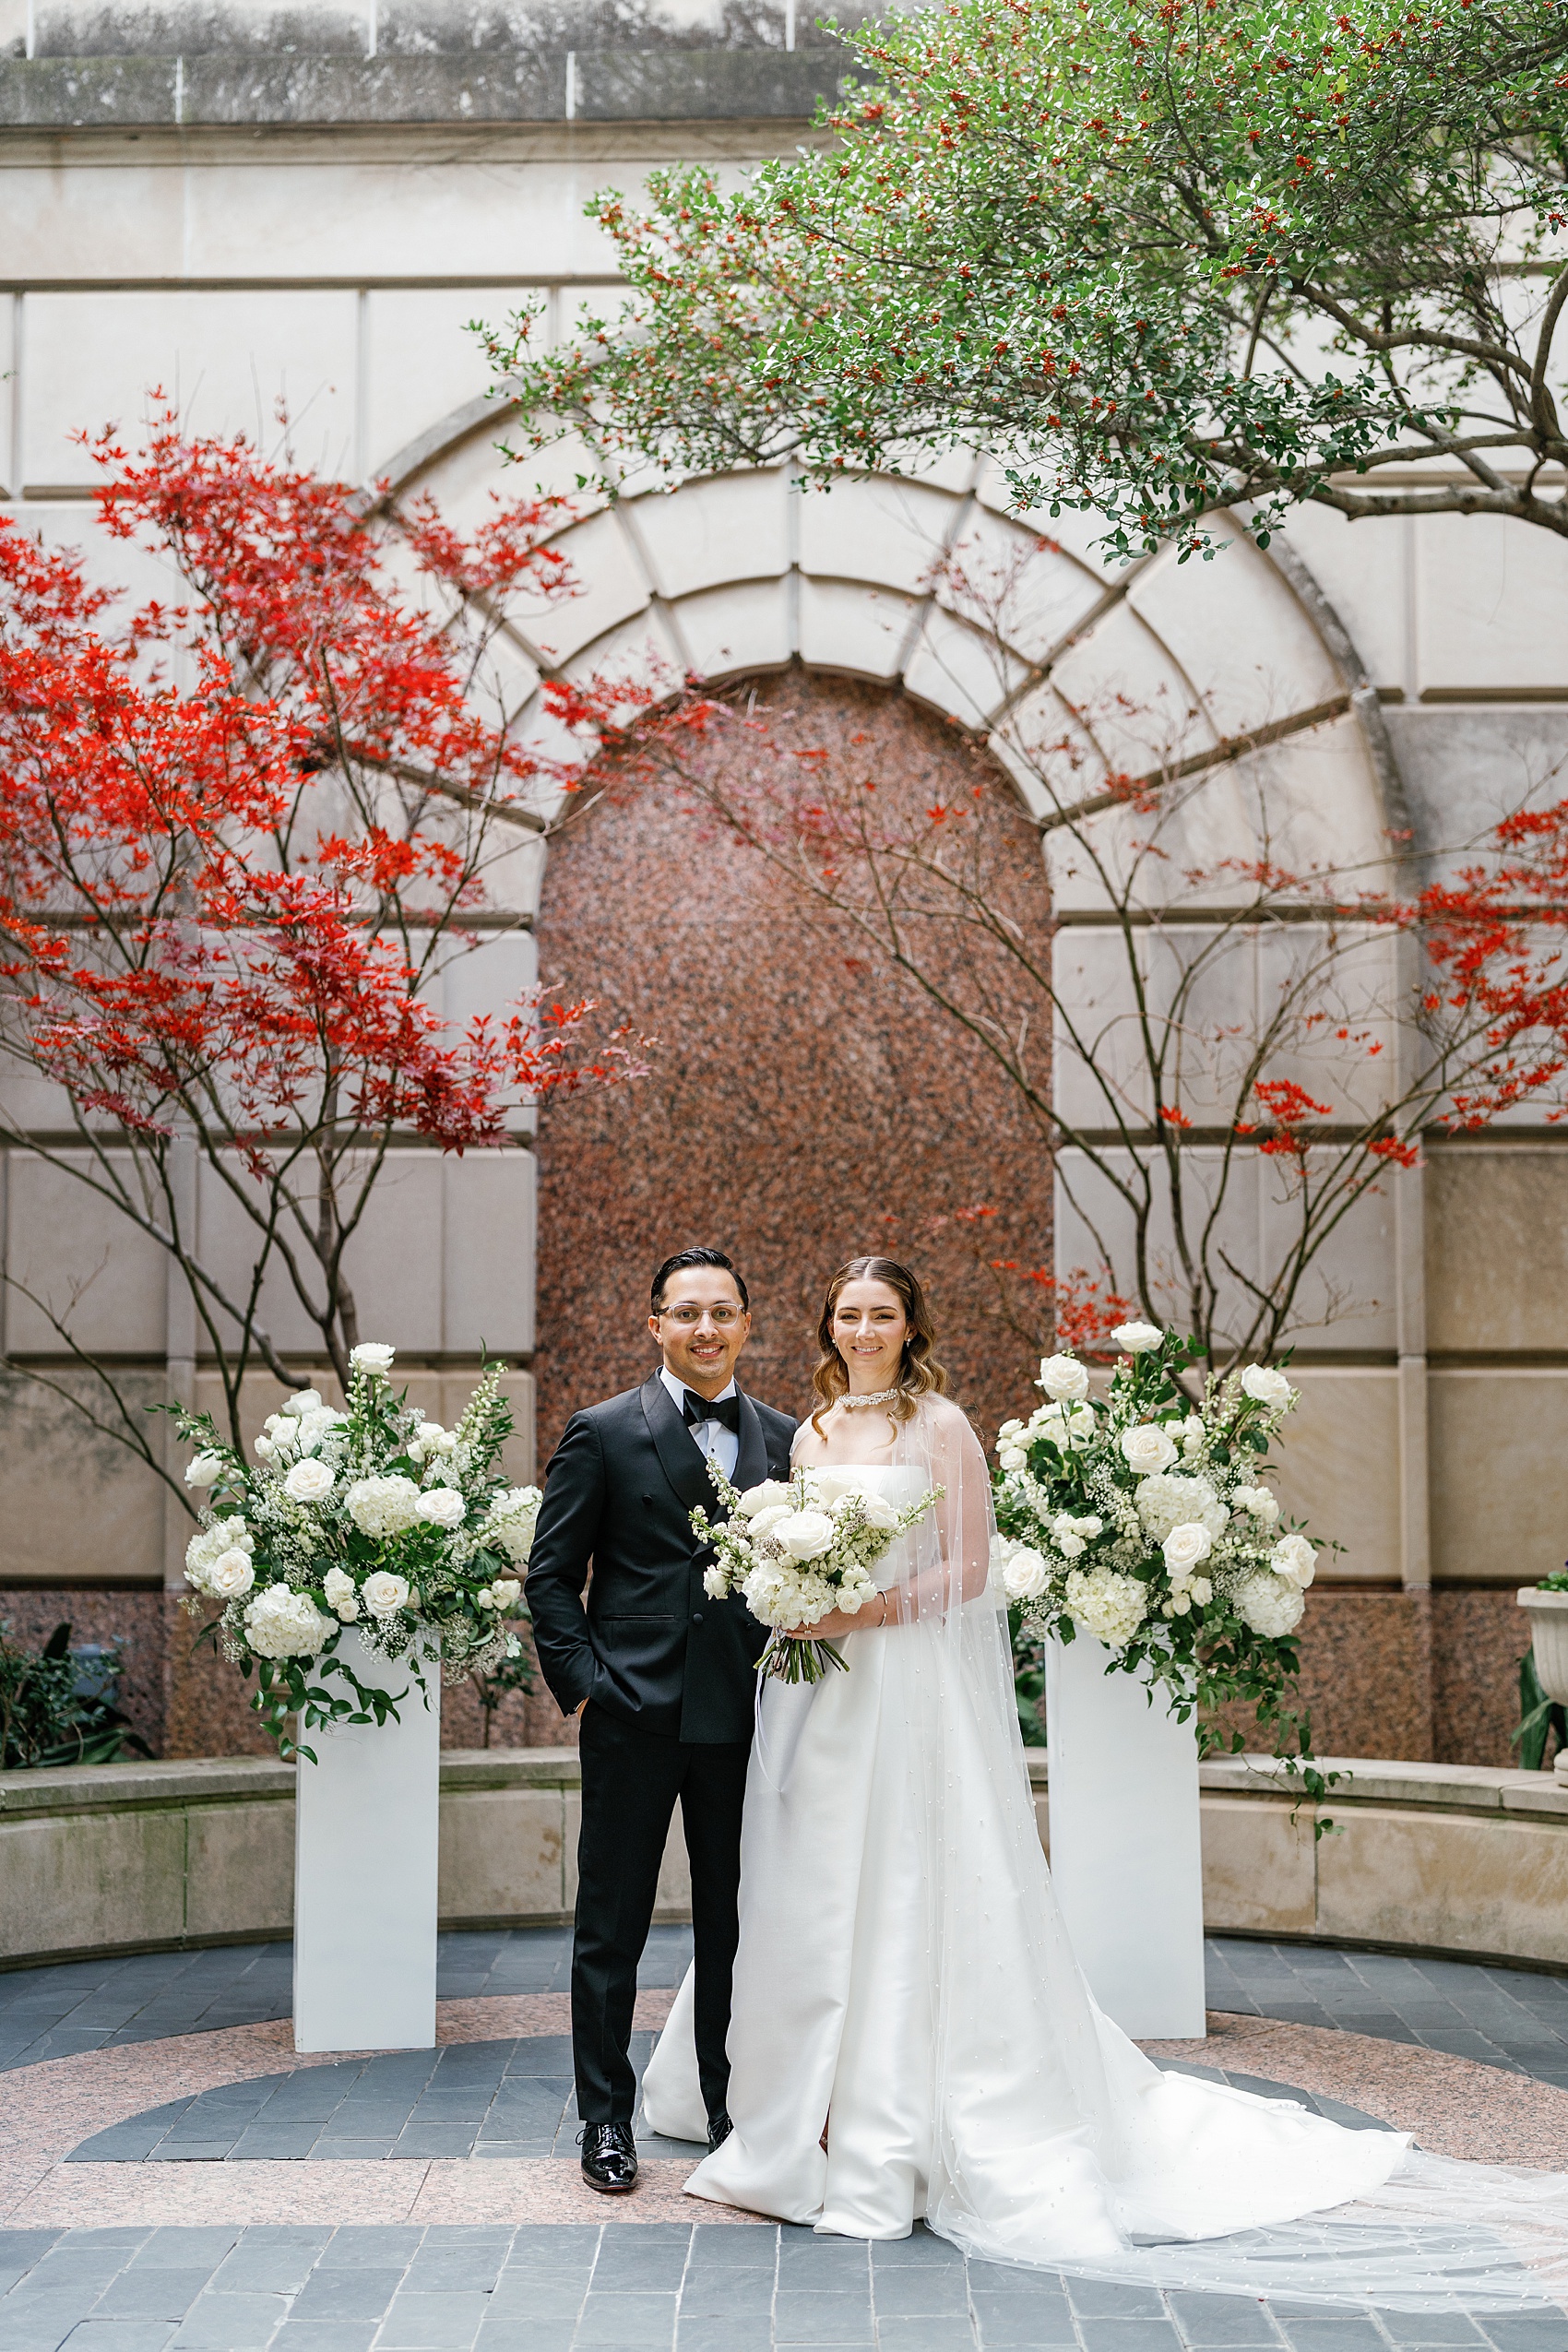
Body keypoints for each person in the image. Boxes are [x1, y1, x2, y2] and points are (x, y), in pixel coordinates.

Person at [640, 1256, 1568, 2312]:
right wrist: (792, 1592)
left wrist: (862, 1612)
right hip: (813, 1692)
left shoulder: (940, 1426)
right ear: (826, 1325)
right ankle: (805, 2104)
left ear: (909, 1326)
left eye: (883, 1314)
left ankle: (894, 2114)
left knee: (906, 1881)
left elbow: (970, 1570)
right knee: (807, 1886)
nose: (863, 1330)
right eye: (848, 1314)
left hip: (902, 1690)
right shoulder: (804, 1434)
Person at [525, 1246, 796, 2194]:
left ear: (747, 1322)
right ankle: (604, 2118)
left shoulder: (786, 1438)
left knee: (733, 1926)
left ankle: (727, 2104)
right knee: (611, 1927)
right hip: (631, 1717)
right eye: (686, 1313)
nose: (706, 1329)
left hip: (745, 1722)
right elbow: (550, 1578)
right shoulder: (600, 1432)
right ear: (654, 1325)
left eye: (723, 1311)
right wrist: (589, 1683)